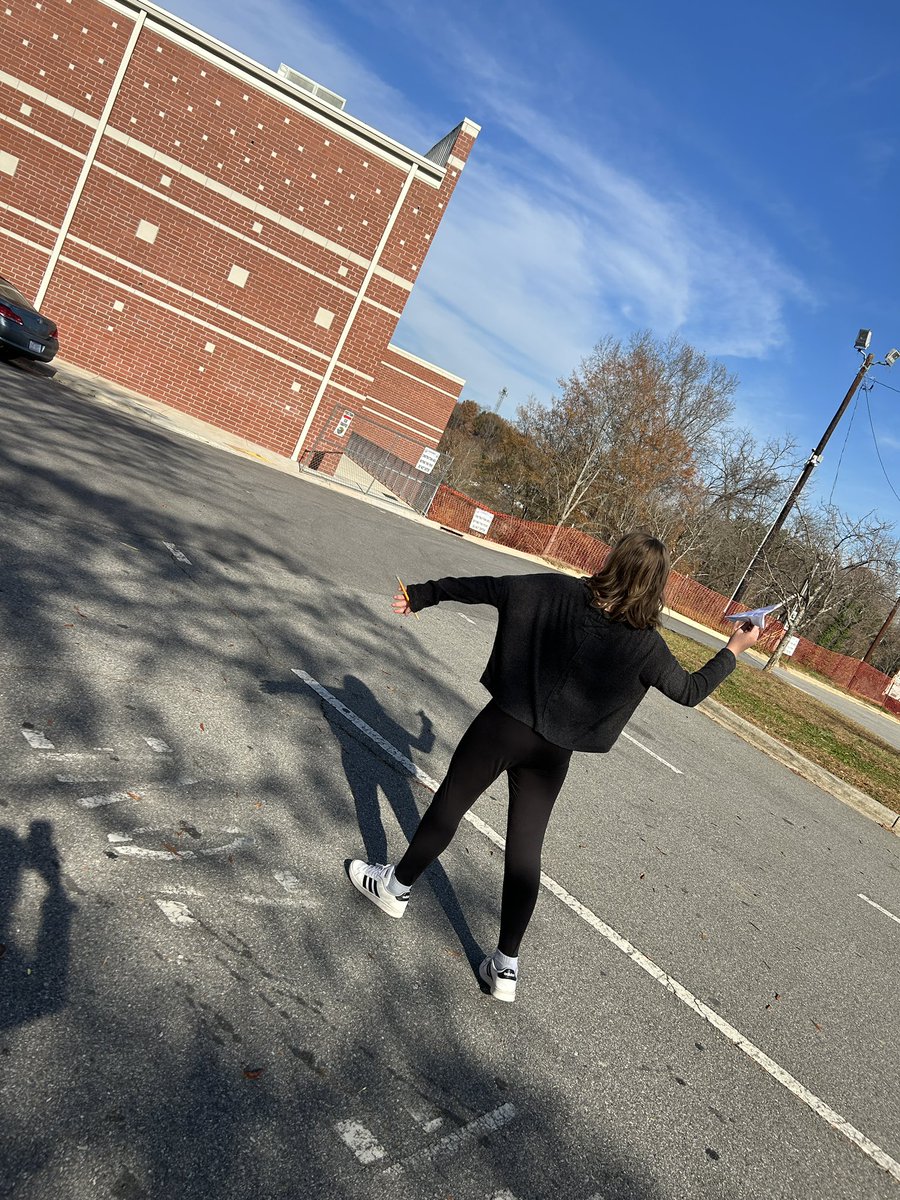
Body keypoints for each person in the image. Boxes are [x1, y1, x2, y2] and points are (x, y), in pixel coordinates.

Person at [347, 532, 760, 1003]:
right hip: (553, 753)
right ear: (657, 585)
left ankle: (394, 889)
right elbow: (689, 691)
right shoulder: (647, 646)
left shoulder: (558, 591)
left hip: (504, 724)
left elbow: (490, 587)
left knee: (450, 806)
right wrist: (734, 649)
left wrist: (424, 595)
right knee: (525, 849)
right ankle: (505, 966)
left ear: (613, 560)